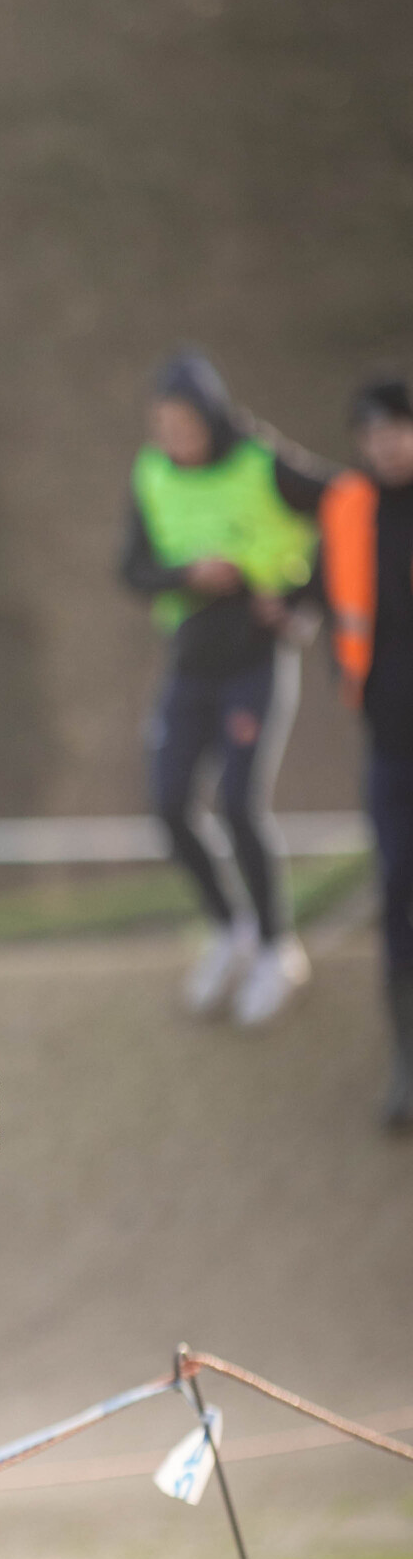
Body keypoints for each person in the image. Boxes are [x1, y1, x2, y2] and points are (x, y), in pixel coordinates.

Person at [119, 348, 327, 1026]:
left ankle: (276, 946)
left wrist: (301, 598)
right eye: (163, 425)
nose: (173, 438)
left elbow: (352, 510)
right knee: (168, 803)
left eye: (184, 423)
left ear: (210, 417)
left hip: (254, 661)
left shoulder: (263, 462)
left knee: (239, 803)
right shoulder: (150, 474)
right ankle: (230, 928)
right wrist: (187, 575)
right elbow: (132, 568)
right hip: (189, 662)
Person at [320, 374, 413, 1130]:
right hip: (388, 742)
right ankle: (404, 1065)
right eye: (376, 431)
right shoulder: (348, 506)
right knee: (397, 898)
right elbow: (326, 593)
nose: (388, 443)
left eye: (399, 428)